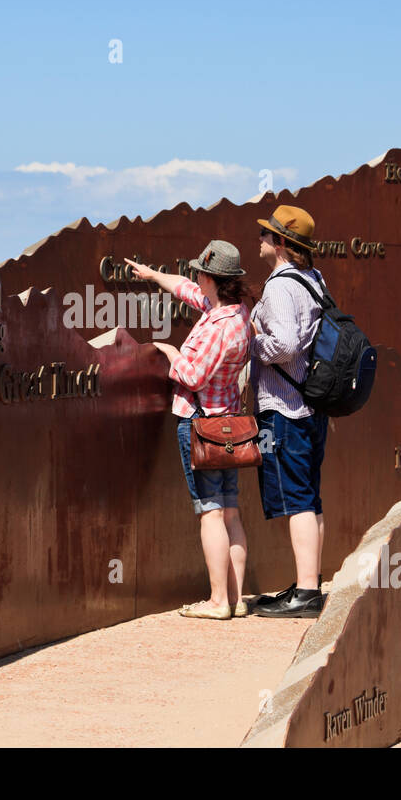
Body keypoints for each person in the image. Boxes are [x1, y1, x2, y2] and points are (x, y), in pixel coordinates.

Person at [125, 241, 252, 620]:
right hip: (229, 424)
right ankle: (237, 597)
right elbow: (186, 289)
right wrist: (152, 275)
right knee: (230, 512)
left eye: (201, 271)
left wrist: (170, 353)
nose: (196, 276)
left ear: (211, 278)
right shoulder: (236, 313)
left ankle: (218, 602)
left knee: (210, 512)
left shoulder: (220, 328)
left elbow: (193, 376)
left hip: (202, 426)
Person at [249, 205, 330, 618]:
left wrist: (253, 343)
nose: (260, 240)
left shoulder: (280, 287)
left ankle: (307, 593)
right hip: (313, 408)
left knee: (297, 500)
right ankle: (307, 585)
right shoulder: (314, 280)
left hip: (286, 408)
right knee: (310, 499)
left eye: (266, 235)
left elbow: (283, 346)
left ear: (281, 244)